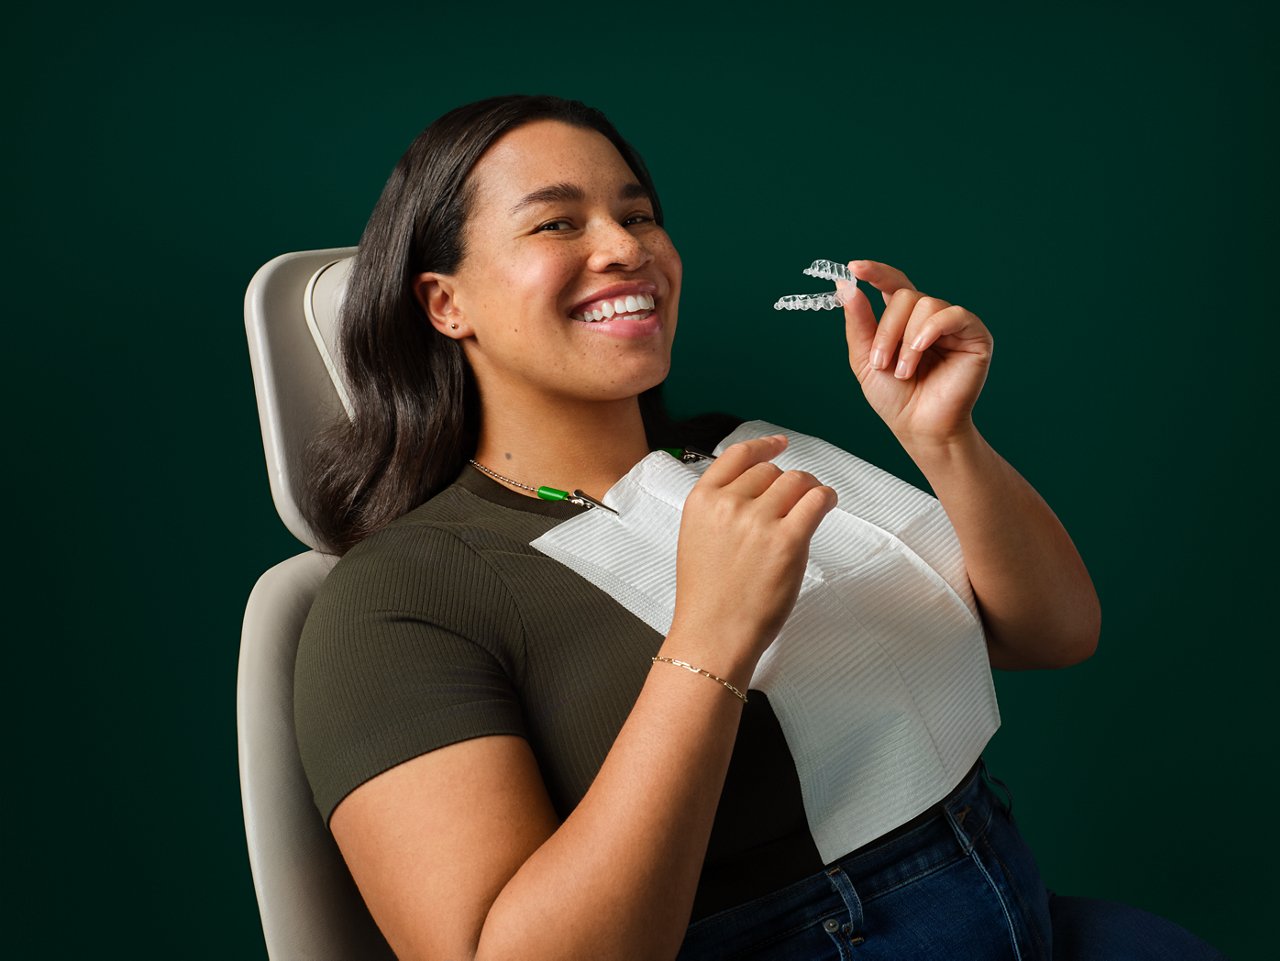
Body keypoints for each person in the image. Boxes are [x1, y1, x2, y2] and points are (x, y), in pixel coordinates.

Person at [294, 95, 1225, 961]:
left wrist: (944, 438)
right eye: (557, 222)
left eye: (640, 213)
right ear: (444, 303)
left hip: (1016, 903)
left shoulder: (748, 453)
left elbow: (1055, 632)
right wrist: (710, 637)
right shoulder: (397, 596)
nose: (625, 247)